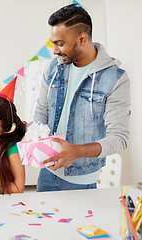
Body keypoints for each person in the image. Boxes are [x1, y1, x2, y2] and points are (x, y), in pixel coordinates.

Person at [34, 4, 130, 192]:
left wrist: (76, 152)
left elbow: (119, 138)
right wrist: (34, 134)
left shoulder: (115, 78)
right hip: (47, 172)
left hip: (81, 180)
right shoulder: (54, 67)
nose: (54, 51)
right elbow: (41, 111)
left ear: (82, 38)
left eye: (60, 43)